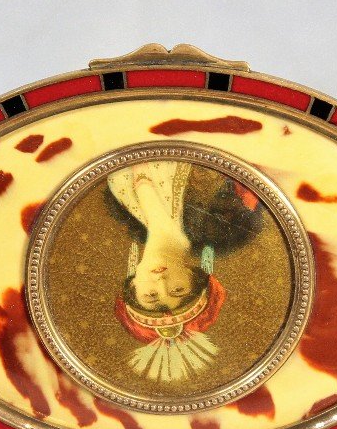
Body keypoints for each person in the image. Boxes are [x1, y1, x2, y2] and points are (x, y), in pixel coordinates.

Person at [104, 160, 261, 382]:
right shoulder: (223, 221)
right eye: (177, 289)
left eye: (150, 295)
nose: (161, 281)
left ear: (132, 284)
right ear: (193, 276)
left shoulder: (120, 211)